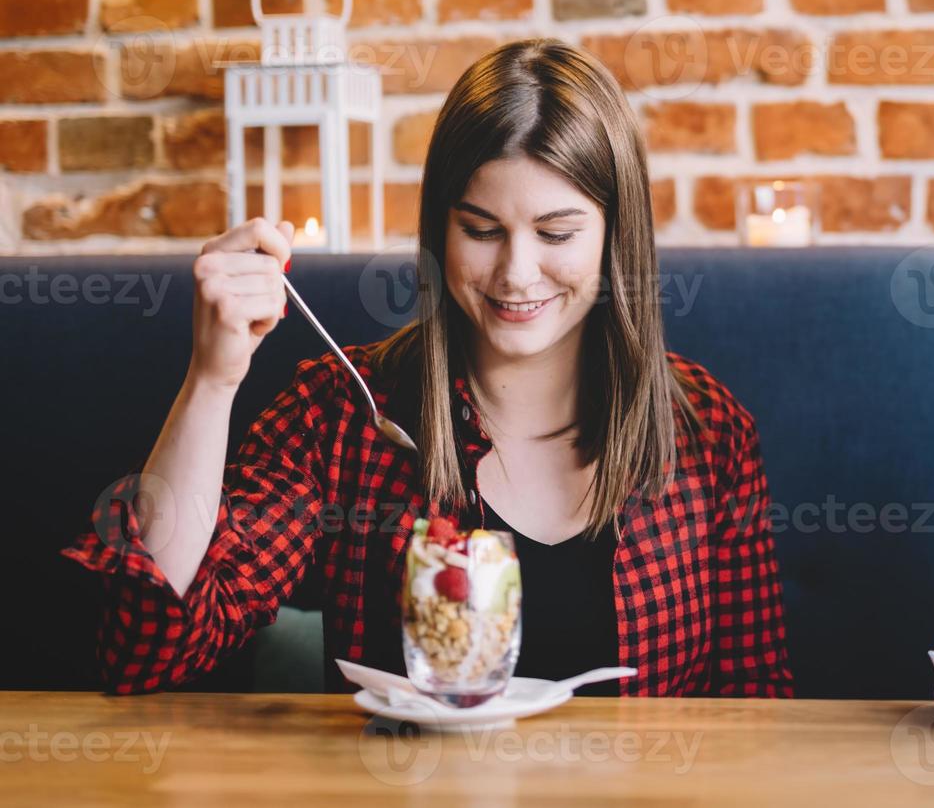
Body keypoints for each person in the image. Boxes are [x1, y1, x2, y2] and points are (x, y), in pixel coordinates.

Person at [65, 39, 794, 698]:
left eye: (556, 233)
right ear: (440, 232)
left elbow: (755, 702)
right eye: (481, 231)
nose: (516, 272)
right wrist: (212, 379)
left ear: (614, 238)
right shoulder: (341, 412)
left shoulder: (706, 429)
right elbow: (147, 655)